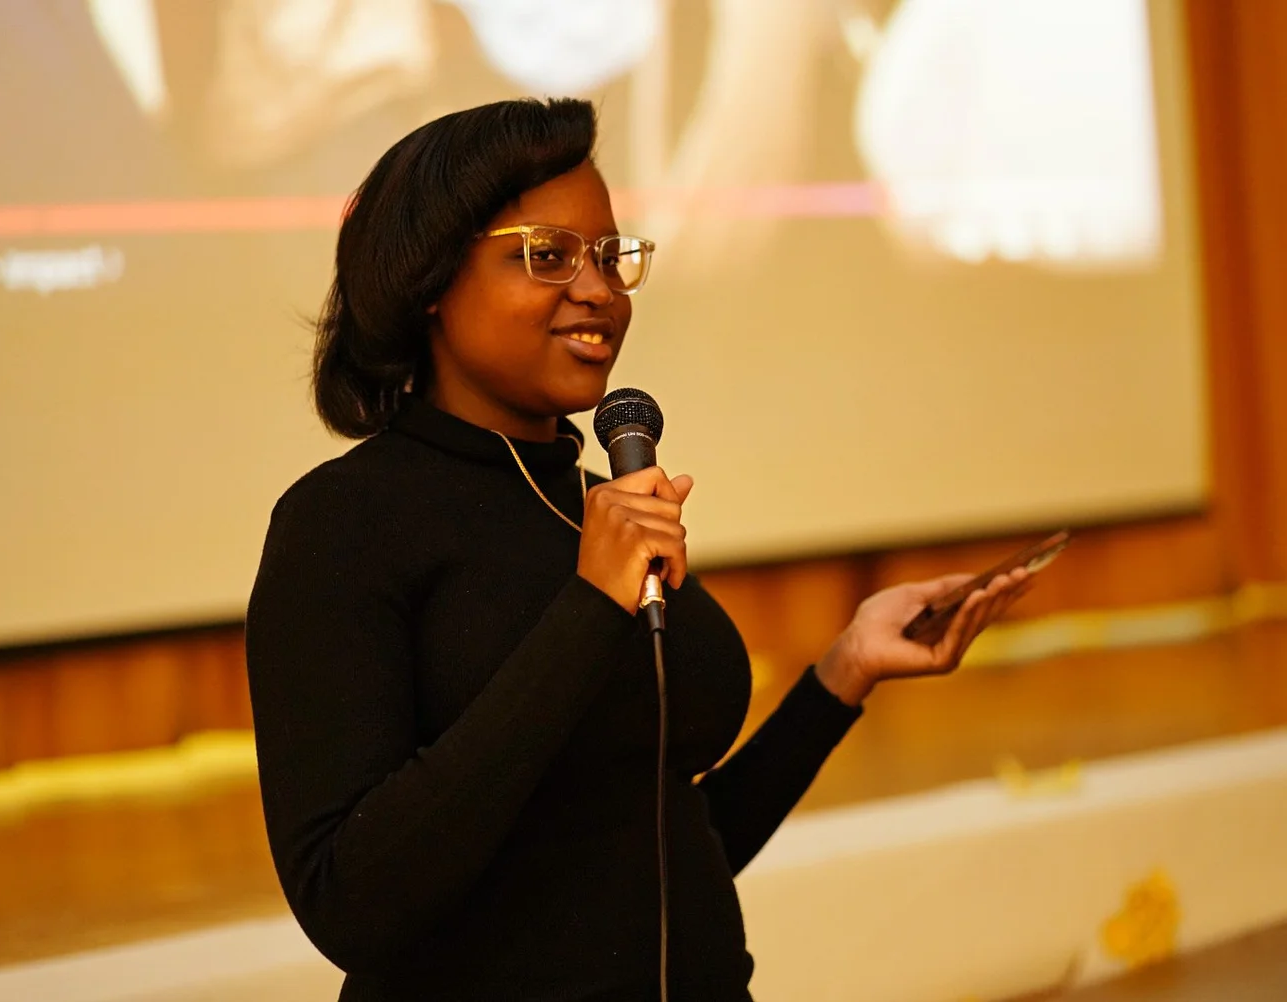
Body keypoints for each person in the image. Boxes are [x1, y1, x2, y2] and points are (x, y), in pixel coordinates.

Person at [244, 96, 1030, 1001]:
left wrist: (843, 673)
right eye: (547, 255)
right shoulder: (343, 523)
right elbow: (352, 900)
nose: (598, 291)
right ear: (429, 282)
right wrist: (586, 611)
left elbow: (664, 854)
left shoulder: (596, 513)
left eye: (610, 256)